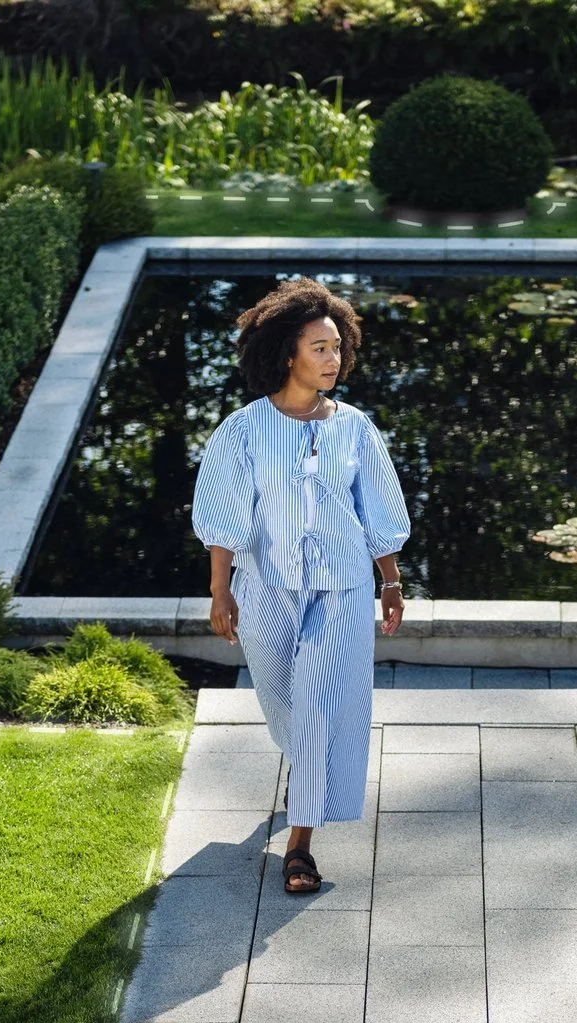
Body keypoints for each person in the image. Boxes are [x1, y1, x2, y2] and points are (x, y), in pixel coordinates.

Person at [190, 277, 411, 895]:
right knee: (286, 704)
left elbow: (378, 512)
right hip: (265, 589)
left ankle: (301, 847)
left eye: (337, 347)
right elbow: (225, 514)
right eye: (319, 348)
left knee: (319, 708)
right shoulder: (243, 430)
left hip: (341, 591)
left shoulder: (356, 429)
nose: (333, 359)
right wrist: (220, 588)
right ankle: (305, 769)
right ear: (288, 352)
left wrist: (390, 582)